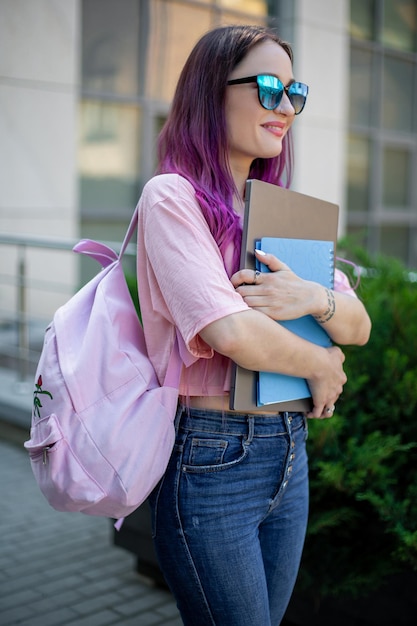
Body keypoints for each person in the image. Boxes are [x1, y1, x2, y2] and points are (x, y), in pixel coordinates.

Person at [135, 24, 371, 626]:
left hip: (289, 454)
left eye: (296, 92)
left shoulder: (281, 208)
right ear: (213, 92)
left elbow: (358, 325)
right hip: (211, 460)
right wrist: (321, 363)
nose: (287, 107)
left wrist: (312, 297)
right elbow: (230, 332)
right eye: (269, 88)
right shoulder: (173, 198)